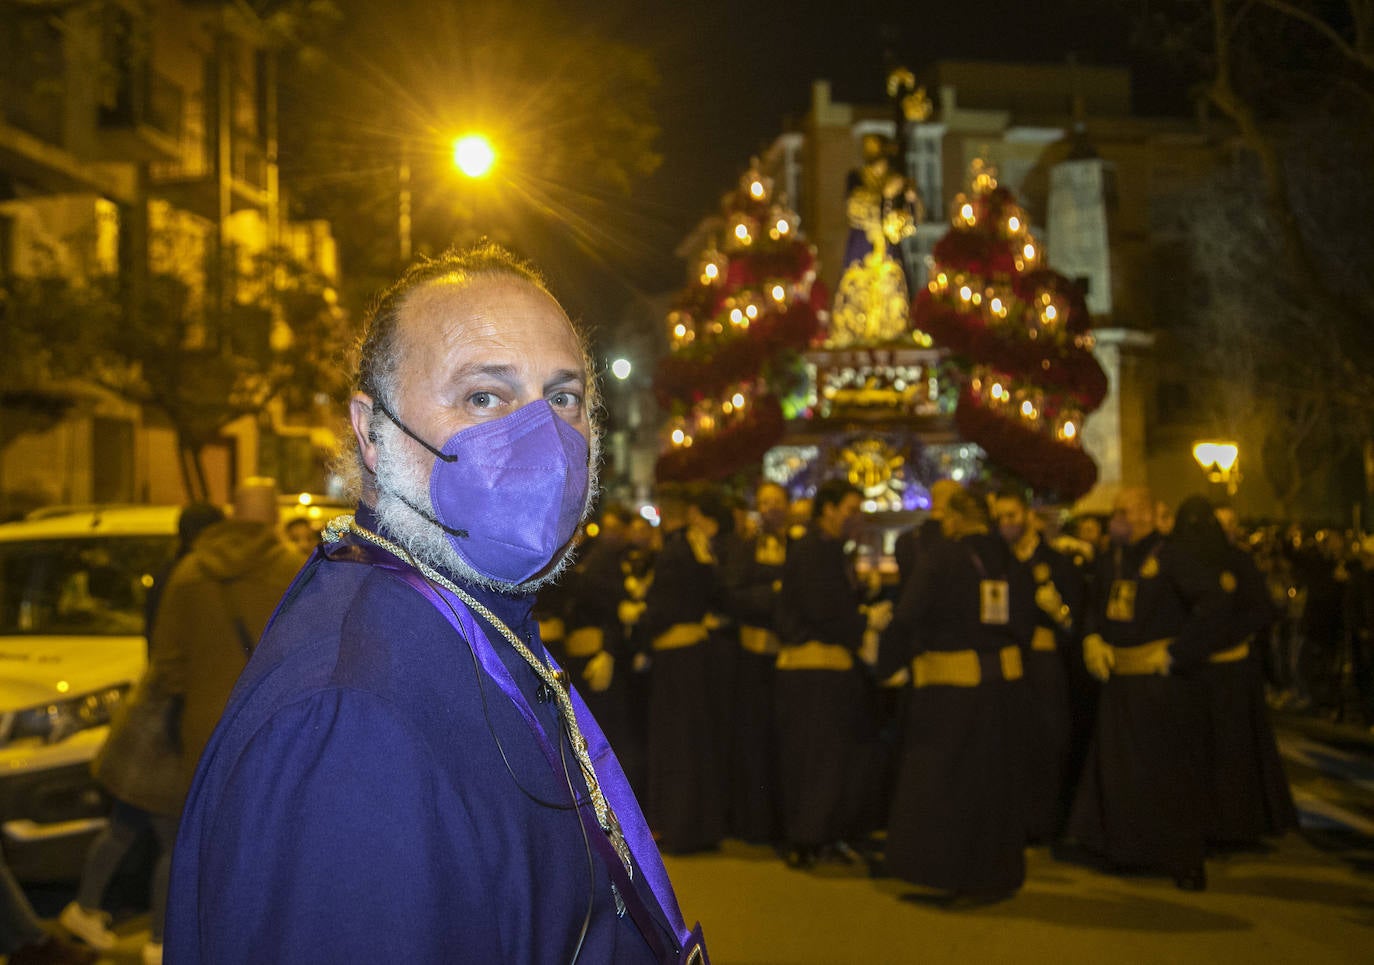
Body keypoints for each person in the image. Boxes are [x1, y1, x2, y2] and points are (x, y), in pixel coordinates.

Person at [165, 243, 707, 963]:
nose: (543, 437)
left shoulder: (474, 619)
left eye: (564, 398)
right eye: (484, 396)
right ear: (372, 431)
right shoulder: (350, 719)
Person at [60, 501, 225, 964]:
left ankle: (84, 909)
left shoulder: (170, 573)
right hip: (169, 726)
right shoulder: (193, 579)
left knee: (125, 826)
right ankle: (159, 939)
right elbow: (180, 659)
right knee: (172, 836)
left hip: (147, 721)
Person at [1064, 487, 1228, 891]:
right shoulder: (1111, 561)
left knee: (1169, 773)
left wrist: (1178, 652)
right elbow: (1093, 608)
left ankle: (1183, 857)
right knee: (1120, 771)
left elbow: (1213, 605)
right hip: (1119, 682)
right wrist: (1092, 638)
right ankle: (1125, 849)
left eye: (1124, 512)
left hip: (1161, 684)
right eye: (1116, 513)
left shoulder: (1173, 558)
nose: (1116, 520)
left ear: (1146, 515)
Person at [879, 488, 1034, 902]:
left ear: (956, 519)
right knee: (995, 782)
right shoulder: (1011, 559)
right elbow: (1026, 622)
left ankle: (952, 874)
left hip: (951, 691)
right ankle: (997, 874)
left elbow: (908, 615)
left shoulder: (943, 557)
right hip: (1004, 688)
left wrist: (886, 665)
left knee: (949, 782)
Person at [774, 479, 892, 869]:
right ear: (828, 509)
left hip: (828, 670)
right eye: (850, 510)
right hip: (813, 672)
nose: (857, 518)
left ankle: (822, 833)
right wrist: (862, 620)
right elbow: (822, 610)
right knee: (816, 758)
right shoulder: (814, 550)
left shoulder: (831, 550)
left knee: (831, 757)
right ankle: (808, 838)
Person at [637, 485, 732, 855]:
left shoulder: (673, 551)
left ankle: (677, 826)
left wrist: (640, 629)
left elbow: (662, 607)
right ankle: (702, 825)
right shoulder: (698, 547)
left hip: (675, 657)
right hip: (697, 651)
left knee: (675, 742)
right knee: (697, 740)